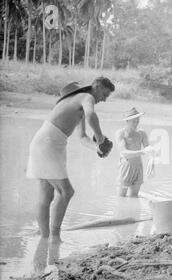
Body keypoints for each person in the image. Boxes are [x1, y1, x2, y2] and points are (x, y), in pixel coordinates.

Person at [26, 77, 115, 243]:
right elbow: (92, 116)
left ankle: (44, 238)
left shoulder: (77, 101)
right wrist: (101, 139)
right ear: (96, 86)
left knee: (46, 195)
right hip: (48, 144)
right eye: (104, 94)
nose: (104, 99)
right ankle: (54, 237)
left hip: (47, 143)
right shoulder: (86, 97)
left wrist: (97, 148)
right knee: (66, 192)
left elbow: (82, 137)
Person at [115, 108, 153, 197]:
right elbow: (124, 152)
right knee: (121, 198)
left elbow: (149, 150)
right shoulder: (120, 133)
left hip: (138, 167)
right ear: (127, 121)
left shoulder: (142, 133)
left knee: (134, 196)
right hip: (125, 167)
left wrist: (152, 161)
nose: (136, 123)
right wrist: (143, 151)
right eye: (133, 121)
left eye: (137, 120)